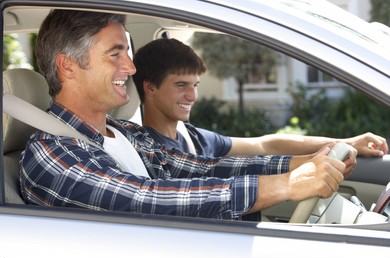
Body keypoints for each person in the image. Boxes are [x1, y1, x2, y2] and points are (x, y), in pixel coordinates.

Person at [19, 10, 356, 221]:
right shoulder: (52, 154)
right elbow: (146, 201)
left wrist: (306, 163)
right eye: (114, 54)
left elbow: (202, 167)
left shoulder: (125, 133)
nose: (132, 67)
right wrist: (285, 185)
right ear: (68, 66)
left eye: (129, 53)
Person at [132, 38, 388, 158]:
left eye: (196, 85)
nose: (193, 95)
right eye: (181, 85)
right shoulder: (156, 151)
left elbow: (267, 145)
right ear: (150, 87)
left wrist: (347, 142)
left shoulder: (191, 136)